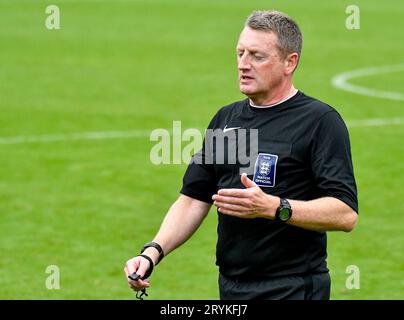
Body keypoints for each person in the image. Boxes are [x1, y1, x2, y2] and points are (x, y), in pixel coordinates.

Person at [124, 10, 358, 300]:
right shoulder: (227, 119)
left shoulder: (319, 121)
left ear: (290, 62)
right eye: (240, 53)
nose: (243, 65)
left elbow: (345, 213)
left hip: (293, 288)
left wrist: (273, 207)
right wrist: (151, 253)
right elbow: (193, 199)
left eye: (257, 56)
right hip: (232, 288)